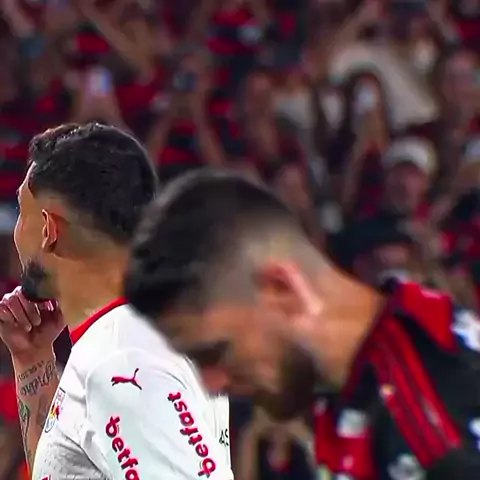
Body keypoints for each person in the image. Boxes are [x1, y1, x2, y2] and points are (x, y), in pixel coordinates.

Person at [125, 169, 480, 478]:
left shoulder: (434, 410)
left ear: (283, 289)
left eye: (215, 353)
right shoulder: (359, 386)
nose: (212, 385)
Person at [0, 124, 232, 480]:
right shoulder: (133, 337)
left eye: (21, 211)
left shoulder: (122, 360)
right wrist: (33, 360)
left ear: (49, 230)